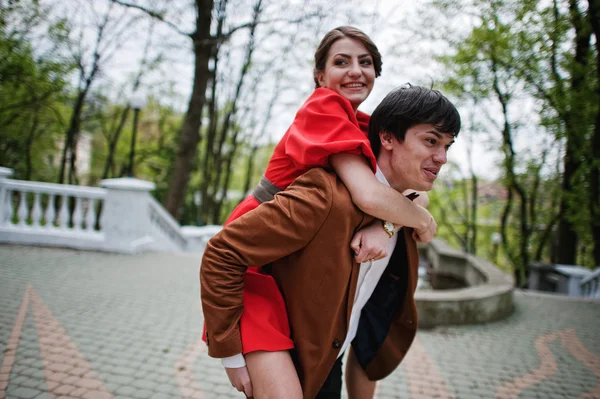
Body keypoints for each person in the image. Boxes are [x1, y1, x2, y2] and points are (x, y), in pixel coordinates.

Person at [204, 26, 437, 396]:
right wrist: (423, 221)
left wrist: (390, 224)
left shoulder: (362, 123)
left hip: (288, 261)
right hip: (254, 255)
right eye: (341, 62)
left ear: (377, 72)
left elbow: (404, 193)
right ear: (320, 76)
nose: (356, 71)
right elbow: (370, 195)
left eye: (366, 62)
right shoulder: (324, 106)